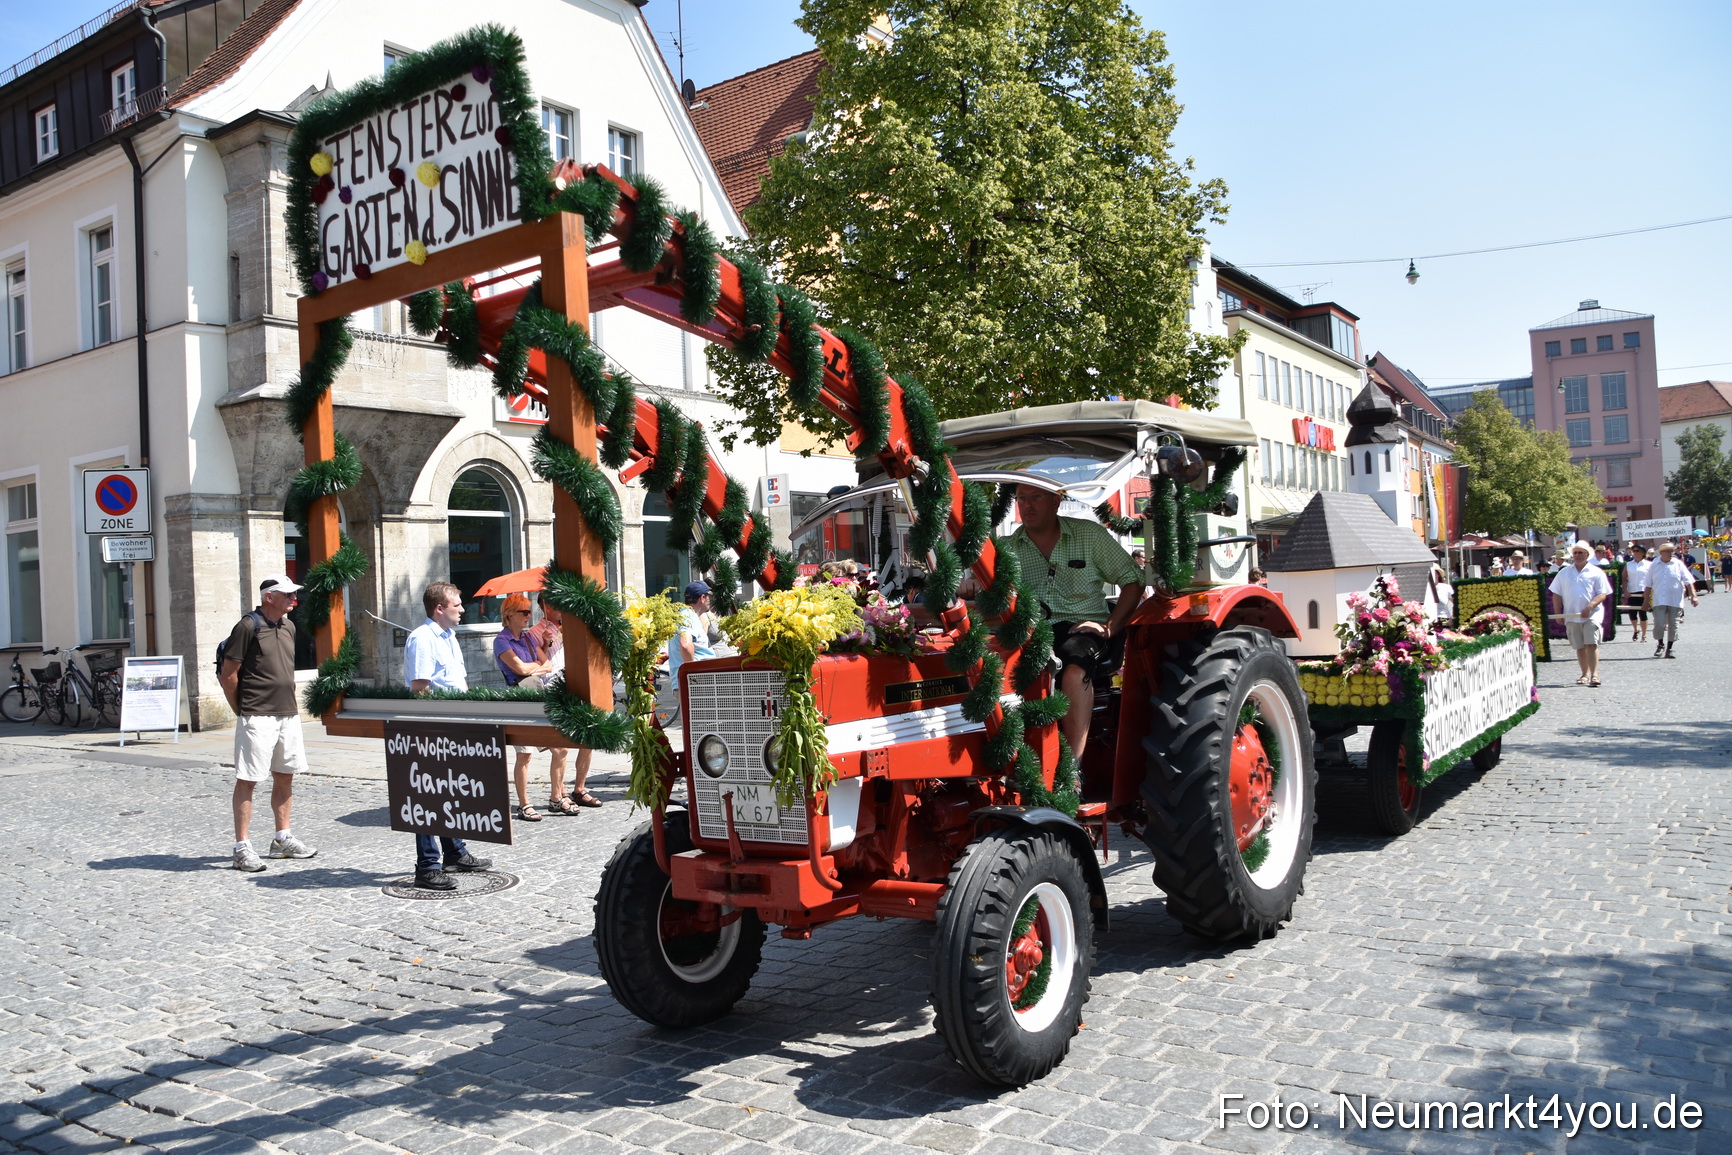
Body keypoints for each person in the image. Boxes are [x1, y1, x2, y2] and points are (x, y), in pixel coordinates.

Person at [1002, 487, 1142, 760]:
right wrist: (972, 584)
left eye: (1036, 497)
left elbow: (1133, 580)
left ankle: (1072, 769)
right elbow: (990, 593)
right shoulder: (1007, 548)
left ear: (1056, 501)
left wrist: (1110, 626)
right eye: (1021, 499)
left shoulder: (1088, 535)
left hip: (1082, 627)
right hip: (1033, 632)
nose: (1027, 505)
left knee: (1074, 664)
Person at [220, 575, 318, 872]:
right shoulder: (247, 626)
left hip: (287, 713)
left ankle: (282, 839)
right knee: (248, 779)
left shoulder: (288, 625)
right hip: (257, 714)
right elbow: (228, 675)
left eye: (294, 594)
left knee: (285, 775)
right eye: (287, 594)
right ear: (269, 597)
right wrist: (242, 709)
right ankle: (241, 847)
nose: (294, 599)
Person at [403, 581, 493, 890]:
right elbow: (420, 688)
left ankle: (454, 852)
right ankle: (427, 867)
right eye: (457, 605)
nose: (463, 609)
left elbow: (456, 685)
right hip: (433, 727)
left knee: (449, 792)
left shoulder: (449, 637)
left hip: (455, 725)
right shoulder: (423, 639)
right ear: (439, 609)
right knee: (429, 797)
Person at [493, 593, 556, 822]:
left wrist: (544, 648)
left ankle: (557, 797)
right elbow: (518, 669)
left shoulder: (529, 639)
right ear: (510, 614)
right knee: (526, 754)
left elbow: (547, 665)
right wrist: (535, 667)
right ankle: (524, 803)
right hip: (518, 702)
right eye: (525, 612)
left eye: (530, 611)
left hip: (538, 697)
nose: (529, 616)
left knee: (559, 748)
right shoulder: (502, 640)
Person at [528, 593, 591, 810]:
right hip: (552, 687)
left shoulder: (568, 626)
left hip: (573, 685)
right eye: (558, 605)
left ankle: (579, 788)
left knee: (588, 737)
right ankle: (559, 793)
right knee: (560, 746)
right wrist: (545, 644)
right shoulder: (534, 633)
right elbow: (535, 664)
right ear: (546, 606)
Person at [1549, 541, 1611, 687]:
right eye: (1575, 553)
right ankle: (1584, 674)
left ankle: (1594, 675)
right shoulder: (1564, 572)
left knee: (1591, 643)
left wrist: (1590, 606)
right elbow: (1556, 594)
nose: (1577, 555)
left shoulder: (1596, 572)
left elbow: (1602, 594)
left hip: (1592, 614)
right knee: (1579, 646)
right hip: (1571, 614)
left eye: (1580, 553)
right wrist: (1559, 614)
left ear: (1587, 555)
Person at [1644, 541, 1700, 659]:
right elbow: (1648, 584)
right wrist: (1646, 601)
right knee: (1659, 623)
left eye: (1672, 551)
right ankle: (1660, 644)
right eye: (1669, 551)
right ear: (1662, 553)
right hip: (1659, 599)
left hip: (1675, 600)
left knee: (1674, 625)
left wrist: (1693, 596)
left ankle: (1670, 648)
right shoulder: (1654, 564)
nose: (1672, 553)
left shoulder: (1678, 564)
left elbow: (1689, 581)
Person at [667, 580, 716, 693]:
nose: (710, 600)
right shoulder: (688, 615)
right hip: (696, 684)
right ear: (702, 598)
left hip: (694, 683)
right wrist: (692, 675)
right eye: (709, 597)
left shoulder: (686, 615)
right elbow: (685, 644)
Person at [1622, 544, 1651, 643]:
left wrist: (1649, 592)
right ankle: (1635, 629)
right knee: (1632, 614)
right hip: (1632, 591)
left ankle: (1644, 635)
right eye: (1633, 551)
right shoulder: (1628, 564)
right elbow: (1624, 578)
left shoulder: (1648, 564)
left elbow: (1652, 579)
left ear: (1643, 552)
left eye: (1637, 550)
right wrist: (1625, 590)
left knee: (1643, 613)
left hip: (1643, 591)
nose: (1634, 552)